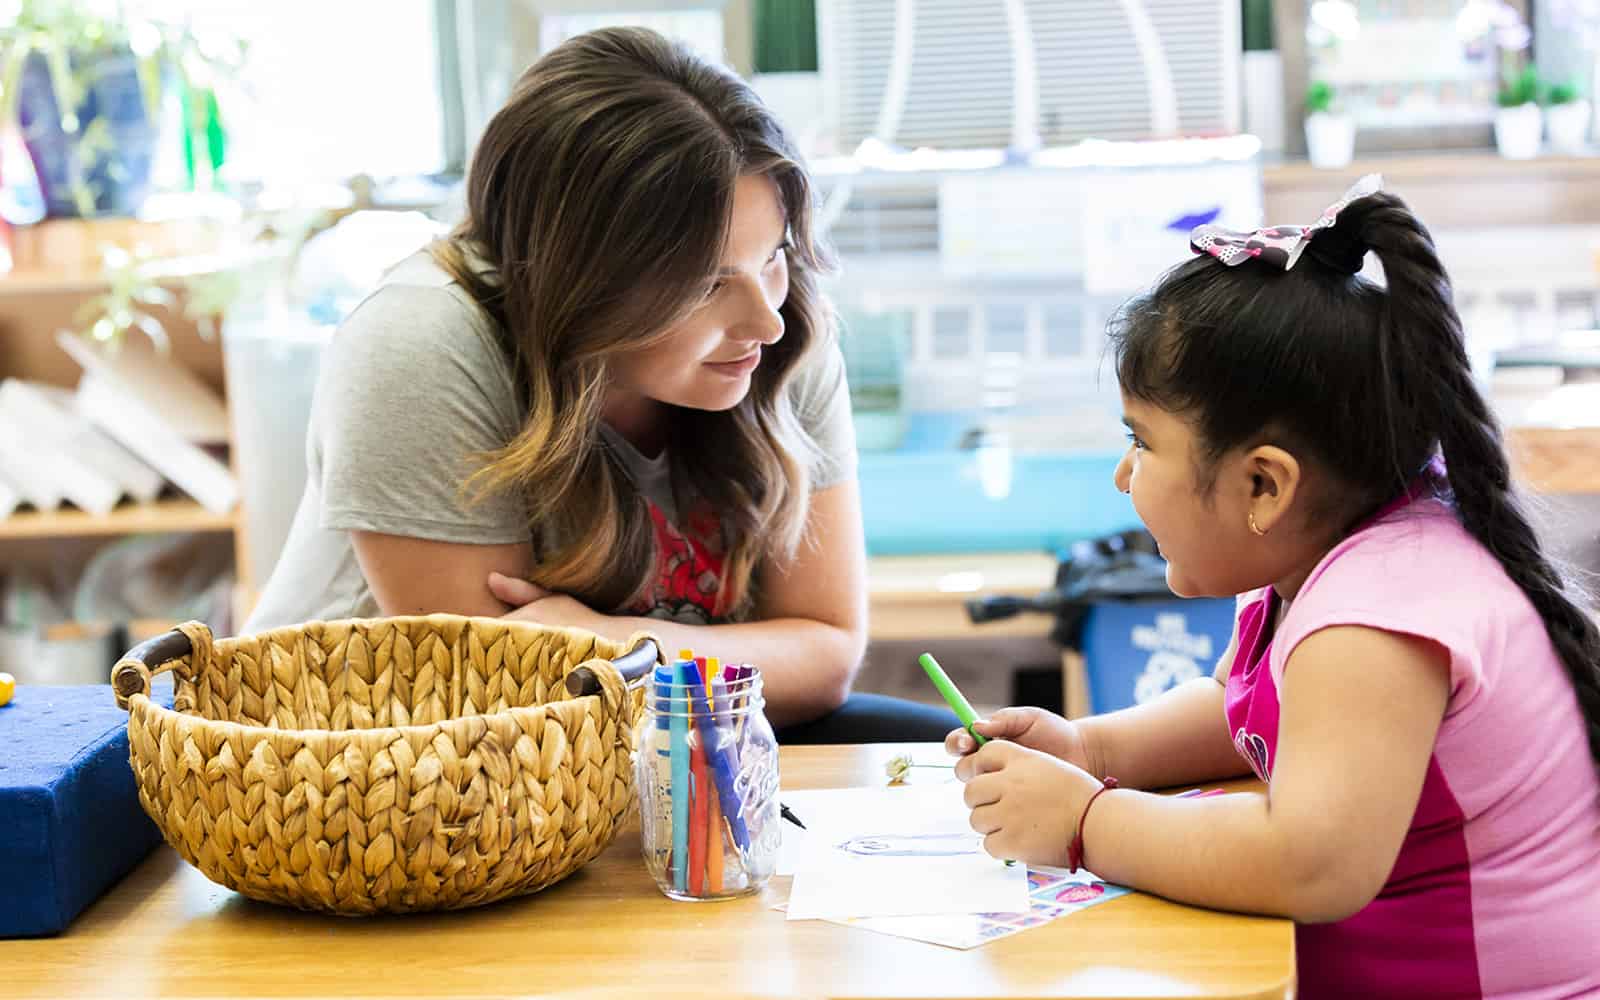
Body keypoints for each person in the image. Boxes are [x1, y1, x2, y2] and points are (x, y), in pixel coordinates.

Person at [946, 177, 1600, 997]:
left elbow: (1309, 862)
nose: (1122, 475)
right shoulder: (1317, 564)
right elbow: (1242, 716)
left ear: (1264, 486)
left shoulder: (1372, 621)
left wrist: (1085, 820)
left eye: (1140, 443)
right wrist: (1091, 751)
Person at [247, 27, 956, 742]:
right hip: (376, 775)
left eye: (771, 255)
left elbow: (826, 652)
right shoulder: (419, 340)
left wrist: (611, 647)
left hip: (650, 740)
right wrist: (701, 659)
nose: (765, 323)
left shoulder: (780, 325)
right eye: (707, 283)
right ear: (578, 277)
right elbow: (501, 700)